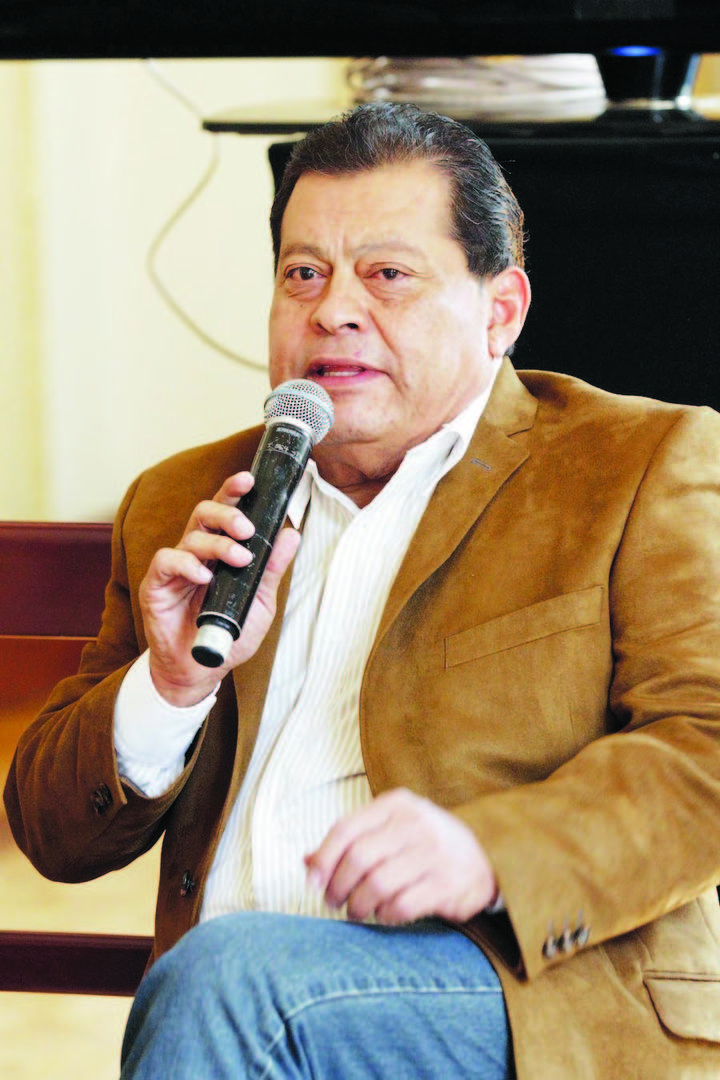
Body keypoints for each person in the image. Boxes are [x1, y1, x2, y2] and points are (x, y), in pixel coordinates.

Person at [5, 101, 720, 1079]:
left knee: (230, 980)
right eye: (303, 273)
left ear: (500, 311)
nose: (332, 310)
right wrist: (169, 686)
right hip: (229, 1024)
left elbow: (706, 747)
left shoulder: (635, 465)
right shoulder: (186, 501)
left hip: (521, 1010)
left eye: (387, 274)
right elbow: (53, 835)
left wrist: (488, 852)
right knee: (230, 983)